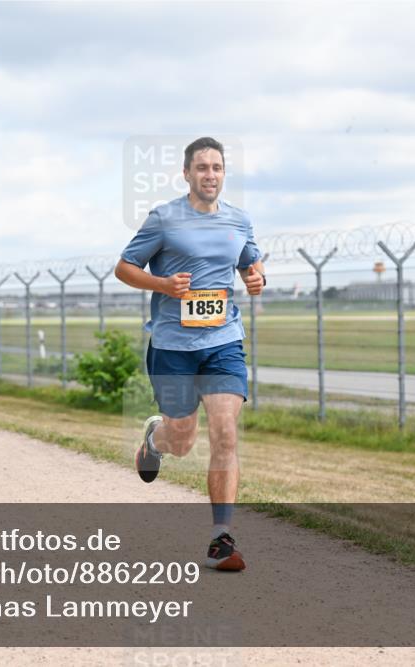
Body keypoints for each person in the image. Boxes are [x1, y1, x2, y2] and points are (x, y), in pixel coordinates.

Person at [115, 137, 265, 571]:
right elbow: (124, 267)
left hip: (223, 341)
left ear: (223, 173)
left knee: (225, 431)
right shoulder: (164, 218)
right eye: (202, 167)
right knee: (182, 441)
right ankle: (155, 440)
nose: (210, 175)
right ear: (186, 174)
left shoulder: (239, 220)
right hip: (172, 345)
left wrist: (256, 280)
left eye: (217, 167)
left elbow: (250, 265)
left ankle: (222, 538)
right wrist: (163, 285)